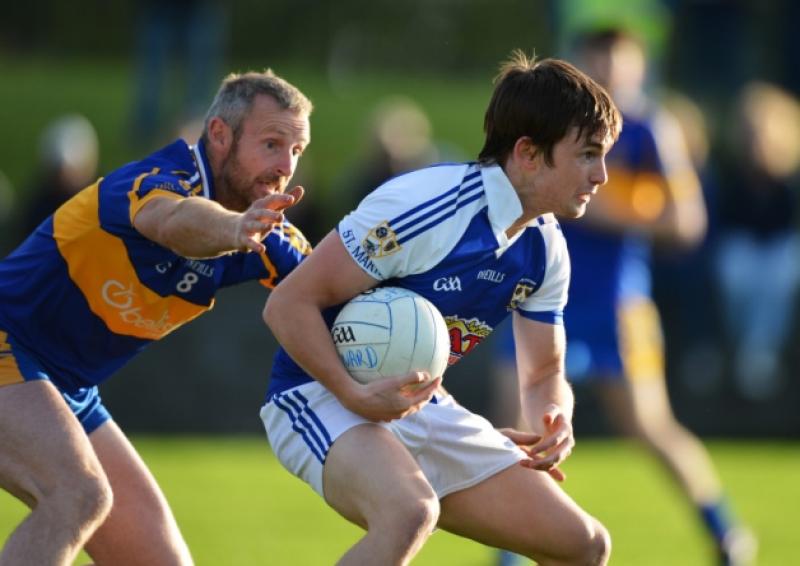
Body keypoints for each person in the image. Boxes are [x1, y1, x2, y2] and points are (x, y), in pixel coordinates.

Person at [260, 50, 622, 565]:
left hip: (422, 405)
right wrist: (354, 393)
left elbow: (544, 371)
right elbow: (287, 304)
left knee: (584, 546)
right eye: (587, 154)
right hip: (317, 393)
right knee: (409, 512)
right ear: (528, 153)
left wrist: (554, 417)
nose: (602, 175)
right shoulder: (426, 206)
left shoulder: (545, 248)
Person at [0, 70, 312, 566]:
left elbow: (334, 294)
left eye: (296, 151)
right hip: (9, 342)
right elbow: (171, 221)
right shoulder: (160, 179)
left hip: (68, 387)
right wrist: (236, 228)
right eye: (272, 144)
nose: (285, 167)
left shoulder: (267, 231)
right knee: (78, 494)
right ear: (219, 134)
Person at [491, 28, 754, 566]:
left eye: (619, 58)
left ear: (640, 66)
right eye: (597, 57)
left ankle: (725, 532)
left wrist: (604, 208)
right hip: (535, 293)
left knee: (649, 425)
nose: (608, 68)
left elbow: (687, 221)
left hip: (616, 304)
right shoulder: (547, 123)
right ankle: (510, 554)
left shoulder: (651, 128)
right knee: (512, 426)